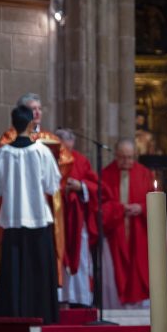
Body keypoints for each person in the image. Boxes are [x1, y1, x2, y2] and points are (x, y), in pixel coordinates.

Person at [0, 93, 73, 301]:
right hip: (32, 211)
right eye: (33, 109)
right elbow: (52, 184)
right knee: (35, 261)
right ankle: (39, 304)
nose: (37, 113)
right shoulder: (14, 142)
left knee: (16, 263)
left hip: (20, 212)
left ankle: (15, 304)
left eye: (40, 109)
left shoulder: (41, 142)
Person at [0, 105, 60, 324]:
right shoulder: (41, 151)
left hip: (12, 219)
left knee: (13, 271)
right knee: (38, 271)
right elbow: (52, 186)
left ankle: (13, 314)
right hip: (37, 218)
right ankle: (42, 313)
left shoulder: (3, 153)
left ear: (13, 124)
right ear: (31, 124)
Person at [101, 139, 153, 308]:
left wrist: (141, 208)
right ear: (116, 155)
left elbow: (155, 201)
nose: (127, 161)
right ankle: (117, 306)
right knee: (117, 270)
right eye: (122, 157)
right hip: (116, 232)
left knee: (139, 268)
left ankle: (140, 305)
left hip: (139, 231)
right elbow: (100, 205)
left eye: (130, 157)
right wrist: (120, 209)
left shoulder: (145, 173)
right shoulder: (105, 174)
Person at [55, 128, 99, 307]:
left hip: (77, 220)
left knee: (79, 259)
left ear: (73, 144)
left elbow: (96, 186)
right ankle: (59, 297)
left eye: (68, 146)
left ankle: (79, 299)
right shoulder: (50, 158)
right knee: (57, 257)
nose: (65, 150)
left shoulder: (81, 160)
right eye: (61, 146)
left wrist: (81, 186)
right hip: (56, 218)